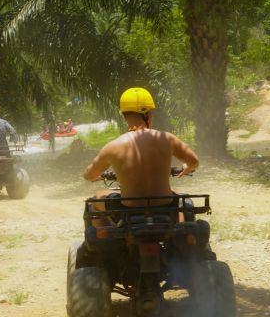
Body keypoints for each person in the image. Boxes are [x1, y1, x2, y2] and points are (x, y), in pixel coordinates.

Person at [83, 87, 198, 227]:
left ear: (124, 114)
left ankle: (104, 243)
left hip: (128, 210)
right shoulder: (167, 139)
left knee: (97, 197)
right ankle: (180, 232)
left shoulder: (113, 147)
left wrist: (95, 173)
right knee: (177, 197)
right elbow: (194, 161)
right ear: (148, 114)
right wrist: (187, 167)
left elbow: (89, 175)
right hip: (164, 205)